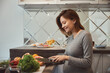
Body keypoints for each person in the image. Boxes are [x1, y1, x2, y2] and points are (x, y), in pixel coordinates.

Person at [49, 9, 93, 73]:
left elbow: (88, 62)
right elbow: (66, 57)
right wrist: (55, 59)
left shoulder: (85, 35)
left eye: (64, 23)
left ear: (74, 20)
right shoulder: (70, 37)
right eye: (61, 24)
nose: (62, 26)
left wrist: (66, 58)